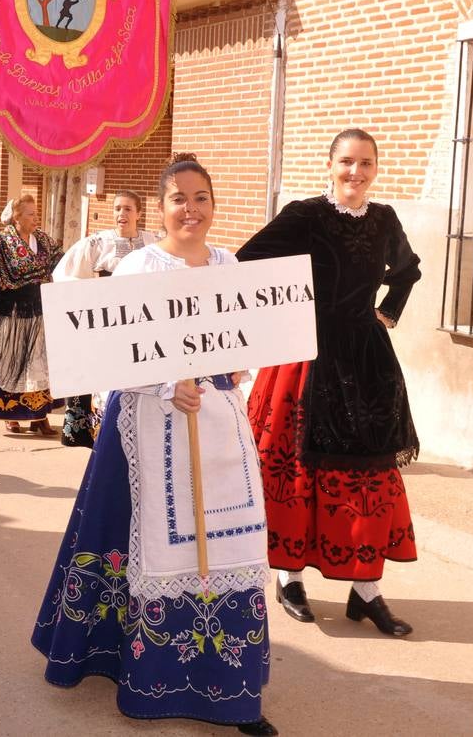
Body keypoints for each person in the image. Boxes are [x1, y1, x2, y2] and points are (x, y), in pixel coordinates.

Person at [33, 153, 276, 736]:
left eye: (200, 198)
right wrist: (170, 380)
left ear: (212, 205)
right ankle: (131, 668)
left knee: (227, 545)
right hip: (142, 420)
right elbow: (113, 352)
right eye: (177, 199)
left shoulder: (228, 263)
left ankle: (233, 689)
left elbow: (243, 339)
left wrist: (233, 366)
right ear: (160, 207)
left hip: (216, 421)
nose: (190, 210)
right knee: (131, 539)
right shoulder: (138, 266)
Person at [237, 128, 421, 638]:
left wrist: (386, 312)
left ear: (376, 168)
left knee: (369, 477)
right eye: (346, 162)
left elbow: (408, 270)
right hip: (304, 359)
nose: (355, 173)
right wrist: (287, 313)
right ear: (330, 164)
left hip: (364, 362)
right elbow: (248, 260)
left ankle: (365, 590)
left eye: (365, 163)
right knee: (298, 471)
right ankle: (290, 578)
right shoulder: (306, 215)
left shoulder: (384, 219)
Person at [52, 190, 157, 447]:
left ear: (139, 213)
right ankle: (102, 433)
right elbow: (65, 275)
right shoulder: (96, 243)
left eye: (128, 209)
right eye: (118, 208)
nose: (122, 214)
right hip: (107, 323)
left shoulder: (153, 243)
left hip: (142, 323)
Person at [0, 194, 62, 435]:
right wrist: (0, 282)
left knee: (38, 362)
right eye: (30, 214)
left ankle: (39, 417)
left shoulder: (43, 239)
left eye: (36, 213)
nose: (35, 218)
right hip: (12, 313)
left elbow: (60, 260)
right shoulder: (1, 241)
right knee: (12, 361)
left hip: (39, 310)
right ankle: (10, 416)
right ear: (17, 218)